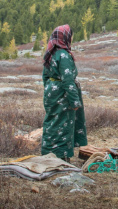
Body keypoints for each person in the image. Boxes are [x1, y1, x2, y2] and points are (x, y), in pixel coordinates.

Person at [41, 24, 87, 160]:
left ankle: (48, 152)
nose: (72, 39)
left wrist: (50, 90)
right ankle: (61, 156)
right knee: (63, 123)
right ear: (65, 37)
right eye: (71, 36)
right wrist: (74, 101)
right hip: (63, 95)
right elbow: (68, 80)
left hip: (52, 92)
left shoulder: (51, 54)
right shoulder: (64, 55)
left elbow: (45, 76)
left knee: (52, 121)